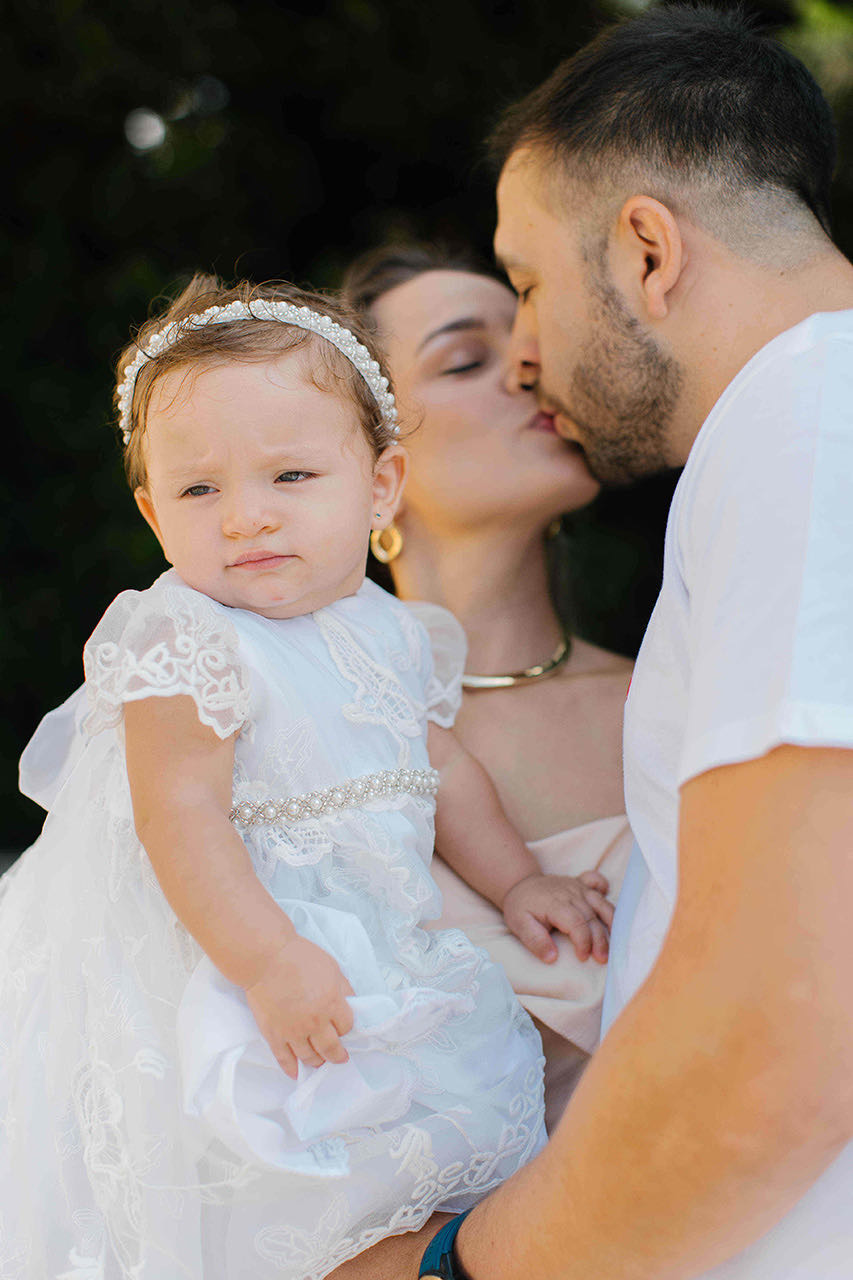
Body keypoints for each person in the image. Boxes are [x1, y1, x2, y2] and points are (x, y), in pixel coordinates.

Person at [322, 6, 853, 1278]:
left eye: (526, 283)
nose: (529, 350)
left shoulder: (803, 428)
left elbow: (775, 1040)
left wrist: (449, 1270)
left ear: (647, 251)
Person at [0, 274, 621, 1279]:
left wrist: (517, 882)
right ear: (154, 511)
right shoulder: (186, 633)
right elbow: (178, 814)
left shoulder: (388, 631)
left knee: (424, 1150)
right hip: (248, 952)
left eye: (289, 476)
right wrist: (264, 960)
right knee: (269, 1172)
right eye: (201, 489)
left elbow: (442, 769)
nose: (245, 516)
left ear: (379, 486)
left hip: (377, 956)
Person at [342, 243, 634, 1130]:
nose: (530, 366)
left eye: (531, 336)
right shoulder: (326, 743)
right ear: (370, 470)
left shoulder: (683, 694)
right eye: (465, 358)